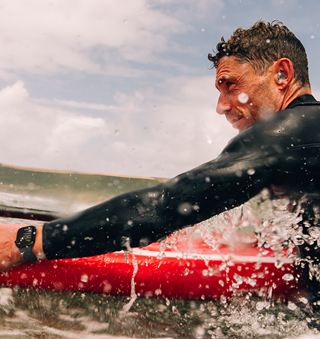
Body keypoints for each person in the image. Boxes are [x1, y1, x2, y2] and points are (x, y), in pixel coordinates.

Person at [1, 20, 320, 301]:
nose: (221, 106)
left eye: (230, 85)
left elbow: (163, 208)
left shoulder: (290, 134)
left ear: (282, 74)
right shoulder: (305, 138)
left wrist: (29, 242)